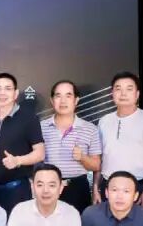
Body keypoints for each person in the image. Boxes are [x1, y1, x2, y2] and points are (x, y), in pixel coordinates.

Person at [95, 71, 143, 208]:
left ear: (137, 94)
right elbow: (99, 158)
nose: (123, 94)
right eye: (118, 89)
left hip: (139, 187)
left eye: (129, 89)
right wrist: (96, 187)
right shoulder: (104, 121)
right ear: (112, 94)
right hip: (108, 187)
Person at [0, 72, 45, 215]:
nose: (2, 93)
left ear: (15, 93)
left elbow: (40, 153)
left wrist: (18, 160)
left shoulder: (28, 118)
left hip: (16, 191)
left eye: (7, 88)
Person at [40, 79, 101, 213]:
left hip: (77, 188)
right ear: (52, 100)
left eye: (68, 96)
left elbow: (96, 165)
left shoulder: (90, 129)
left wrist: (83, 157)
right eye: (58, 96)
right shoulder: (40, 127)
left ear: (76, 100)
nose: (63, 101)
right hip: (48, 188)